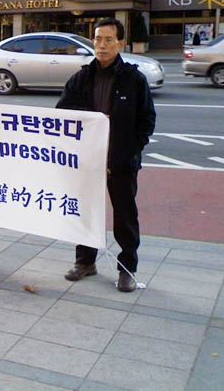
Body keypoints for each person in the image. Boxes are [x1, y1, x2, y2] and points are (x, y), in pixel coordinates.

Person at [56, 18, 156, 292]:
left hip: (121, 163)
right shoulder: (81, 78)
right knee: (85, 213)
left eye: (108, 40)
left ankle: (127, 270)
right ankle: (85, 262)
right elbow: (62, 112)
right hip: (88, 162)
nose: (101, 45)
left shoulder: (134, 79)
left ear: (120, 44)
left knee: (125, 218)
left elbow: (147, 119)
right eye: (98, 39)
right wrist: (91, 121)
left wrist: (131, 149)